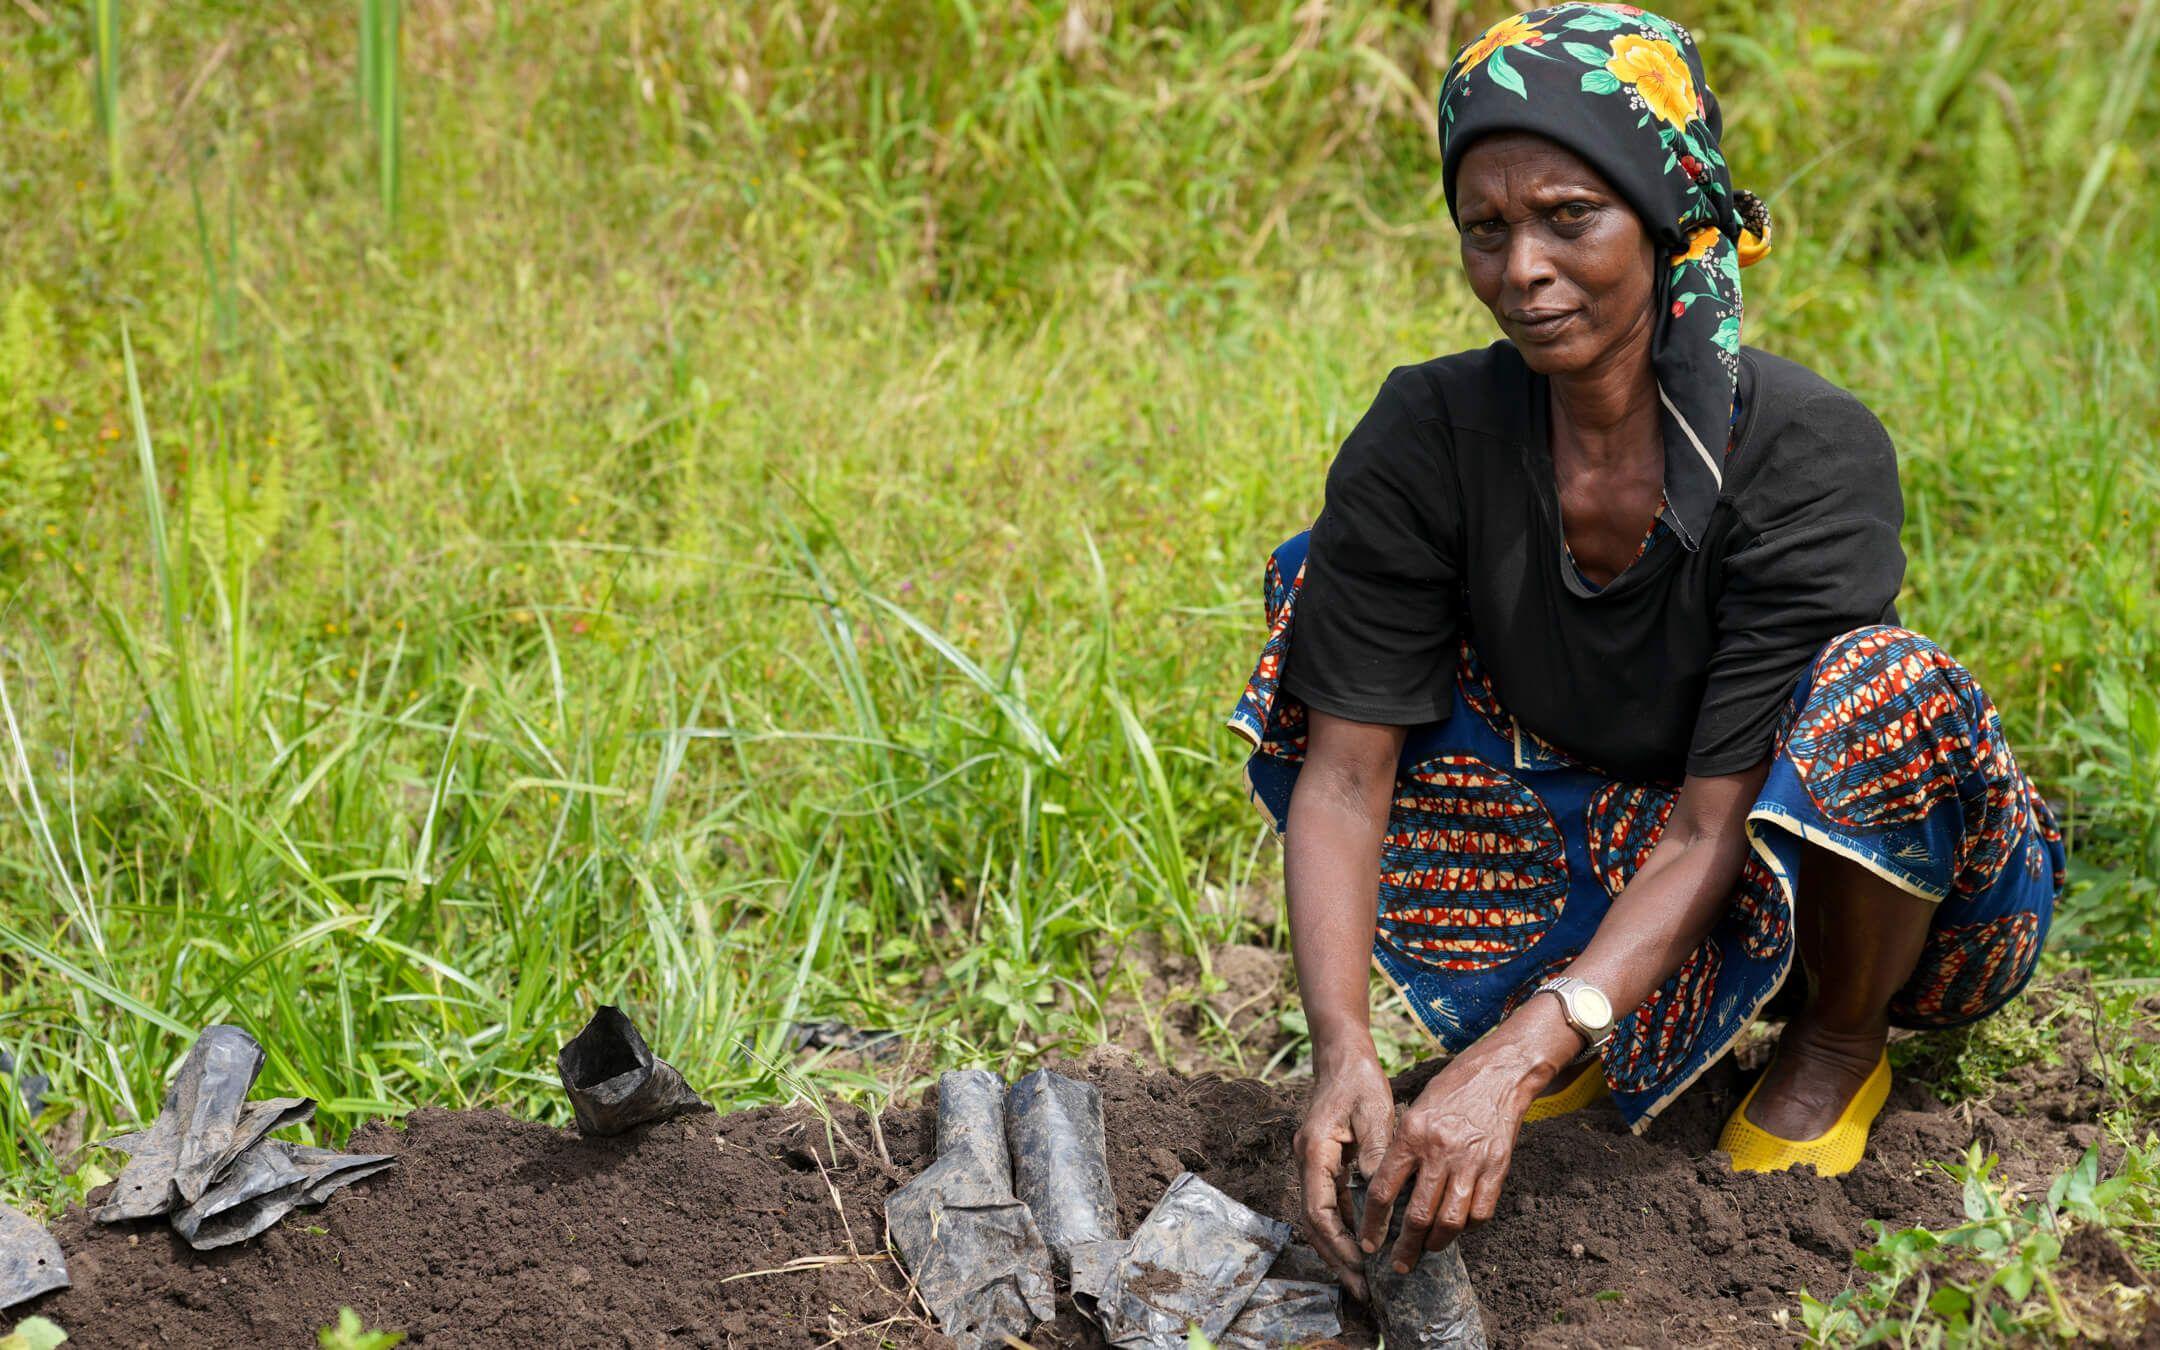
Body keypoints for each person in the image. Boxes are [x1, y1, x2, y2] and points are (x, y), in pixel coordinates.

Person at [1224, 2, 2064, 1297]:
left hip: (1835, 881)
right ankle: (1602, 1017)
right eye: (1486, 230)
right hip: (1617, 853)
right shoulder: (1428, 433)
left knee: (1886, 689)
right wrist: (1341, 1046)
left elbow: (1708, 827)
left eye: (1570, 217)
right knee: (1319, 587)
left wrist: (1511, 1056)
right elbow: (1345, 773)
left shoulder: (1805, 452)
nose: (1524, 270)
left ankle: (1835, 1043)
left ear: (1667, 220)